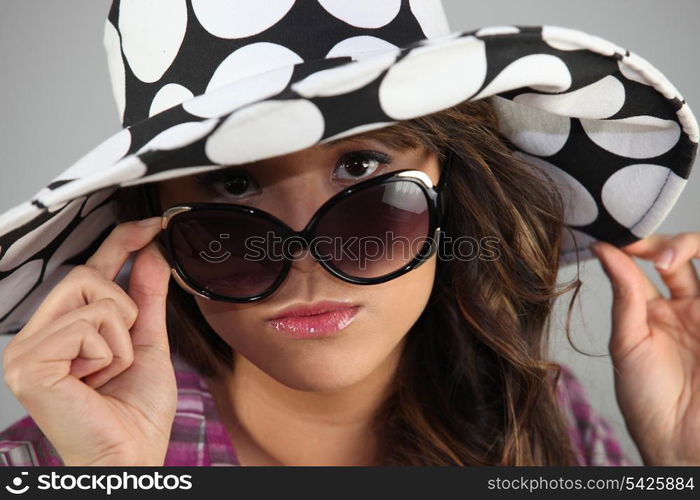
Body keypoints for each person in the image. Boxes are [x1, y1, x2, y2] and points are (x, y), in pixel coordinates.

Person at [0, 1, 698, 466]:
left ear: (448, 189)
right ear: (151, 231)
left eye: (362, 169)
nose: (308, 260)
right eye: (231, 187)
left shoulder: (547, 425)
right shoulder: (47, 463)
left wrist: (679, 460)